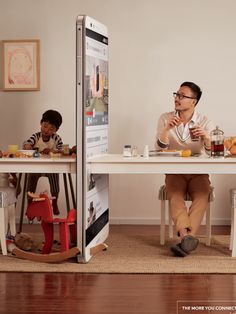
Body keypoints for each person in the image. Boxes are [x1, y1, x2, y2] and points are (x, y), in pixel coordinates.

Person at [155, 81, 215, 257]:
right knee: (175, 196)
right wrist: (167, 129)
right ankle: (186, 237)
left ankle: (184, 239)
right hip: (175, 171)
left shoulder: (205, 121)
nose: (177, 98)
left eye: (182, 96)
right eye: (176, 94)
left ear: (193, 101)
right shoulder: (165, 118)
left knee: (202, 195)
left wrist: (206, 136)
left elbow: (214, 152)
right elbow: (160, 148)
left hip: (198, 172)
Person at [23, 109, 63, 215]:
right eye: (45, 126)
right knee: (31, 178)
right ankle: (29, 203)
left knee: (55, 176)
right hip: (37, 167)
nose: (46, 130)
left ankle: (54, 201)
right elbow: (27, 143)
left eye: (51, 129)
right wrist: (27, 146)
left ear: (56, 130)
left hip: (51, 167)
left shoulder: (56, 138)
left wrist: (52, 151)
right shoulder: (36, 136)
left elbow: (61, 150)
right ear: (41, 123)